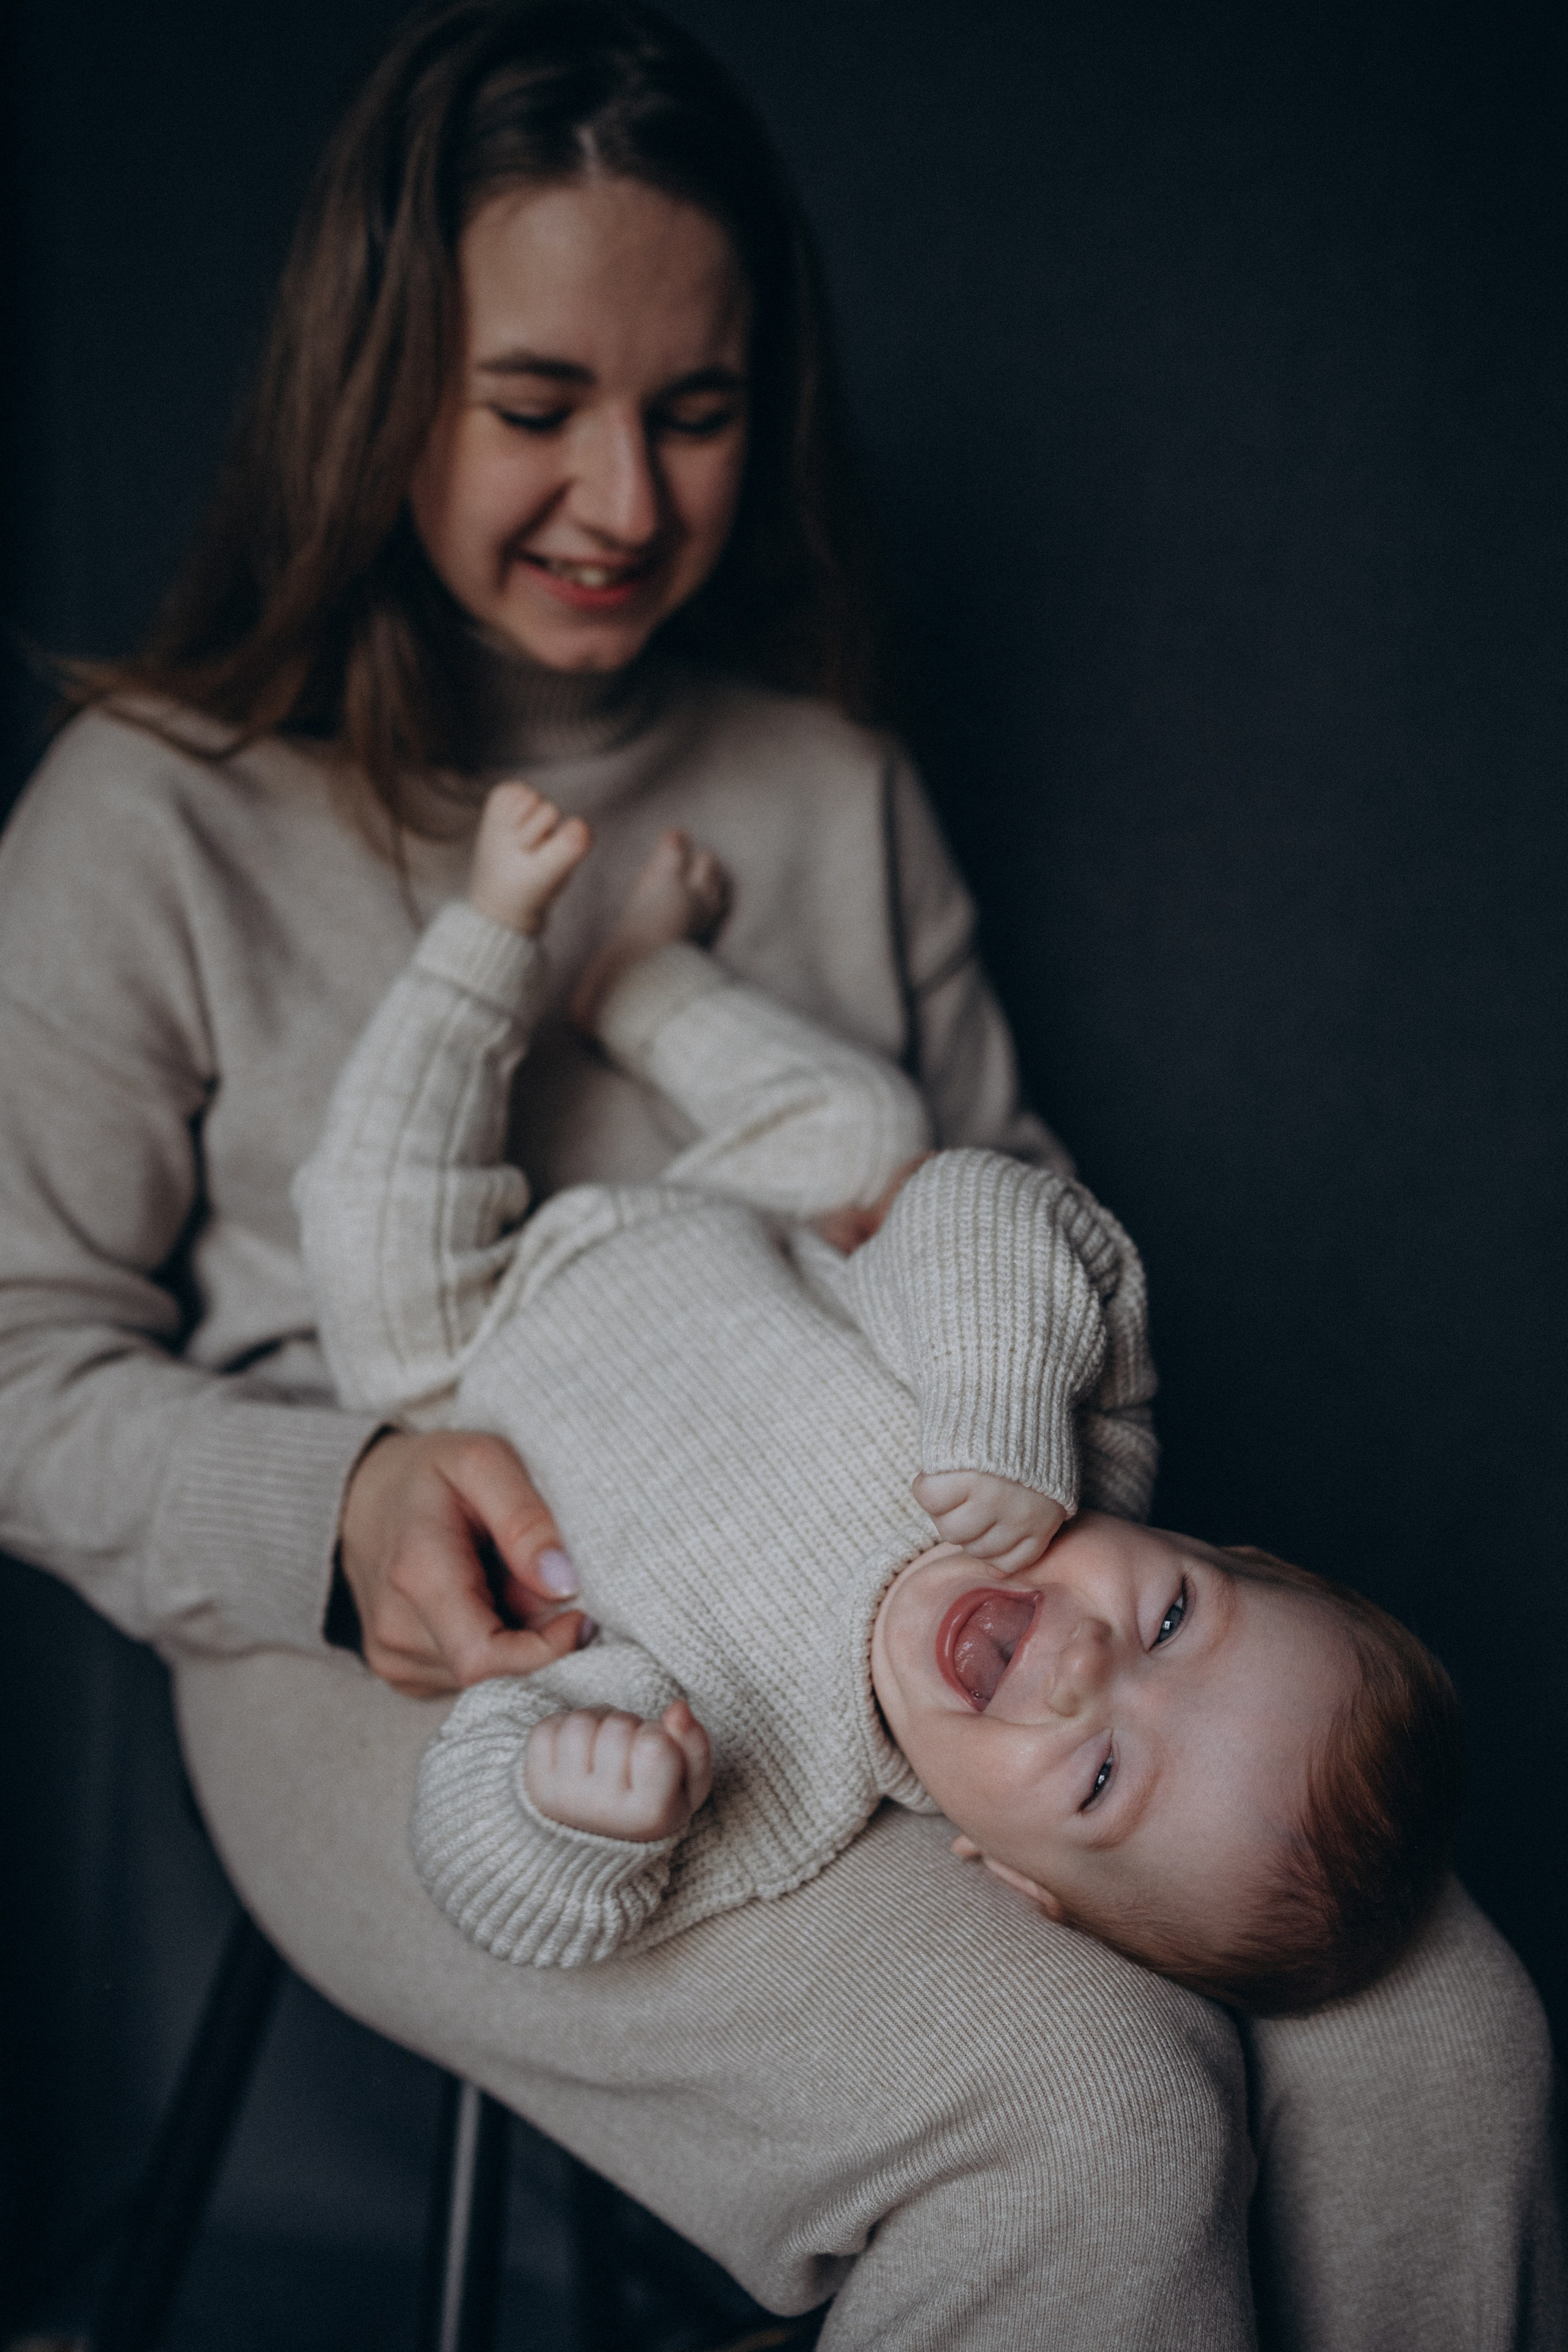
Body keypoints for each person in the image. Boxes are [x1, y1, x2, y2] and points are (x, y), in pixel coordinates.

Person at [0, 2, 1556, 2342]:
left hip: (910, 1617)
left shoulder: (829, 781)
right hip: (445, 1676)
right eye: (537, 407)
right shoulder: (158, 816)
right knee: (1089, 2108)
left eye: (697, 411)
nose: (626, 501)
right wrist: (335, 1514)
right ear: (374, 381)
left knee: (1445, 2031)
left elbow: (1031, 1220)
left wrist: (996, 1420)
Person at [298, 786, 1463, 2015]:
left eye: (1101, 1777)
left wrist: (575, 1817)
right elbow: (988, 1207)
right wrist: (990, 1402)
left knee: (363, 1227)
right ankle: (642, 986)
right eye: (1171, 1618)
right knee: (868, 1127)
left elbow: (481, 1852)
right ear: (1214, 1548)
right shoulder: (1061, 1447)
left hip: (467, 1350)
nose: (1077, 1660)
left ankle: (485, 936)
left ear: (1012, 1879)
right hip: (728, 1222)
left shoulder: (764, 1769)